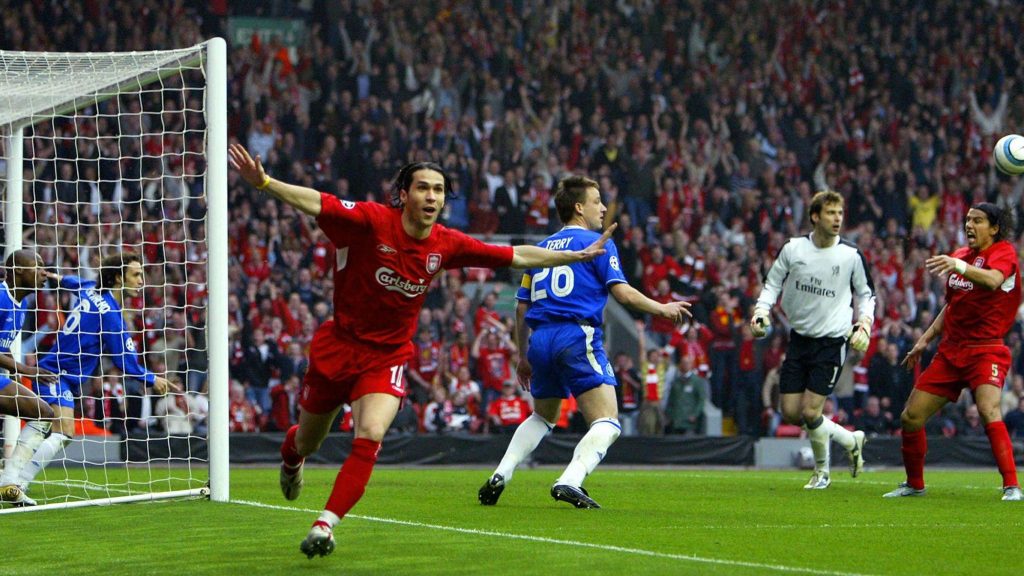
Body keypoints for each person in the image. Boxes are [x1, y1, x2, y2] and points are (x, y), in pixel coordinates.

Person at [228, 143, 617, 559]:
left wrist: (572, 255)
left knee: (370, 434)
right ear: (404, 194)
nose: (432, 196)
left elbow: (516, 254)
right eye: (423, 188)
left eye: (439, 190)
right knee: (307, 441)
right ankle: (292, 459)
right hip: (338, 347)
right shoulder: (371, 221)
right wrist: (265, 183)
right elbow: (317, 203)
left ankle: (325, 525)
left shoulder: (445, 243)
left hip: (387, 356)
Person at [477, 175, 690, 509]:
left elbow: (521, 307)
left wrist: (523, 356)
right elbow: (622, 293)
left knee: (543, 417)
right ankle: (571, 479)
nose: (603, 208)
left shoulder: (541, 249)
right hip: (576, 334)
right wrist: (661, 308)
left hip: (540, 338)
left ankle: (501, 473)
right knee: (608, 421)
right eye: (597, 201)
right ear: (579, 207)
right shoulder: (596, 243)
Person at [2, 251, 177, 504]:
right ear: (119, 278)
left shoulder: (89, 289)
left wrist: (55, 276)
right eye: (136, 275)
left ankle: (12, 481)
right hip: (56, 373)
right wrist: (152, 379)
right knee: (61, 430)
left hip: (62, 374)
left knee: (60, 431)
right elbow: (125, 362)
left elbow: (71, 281)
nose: (142, 281)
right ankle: (15, 482)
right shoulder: (112, 317)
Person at [885, 203, 1022, 501]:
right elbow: (951, 306)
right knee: (911, 417)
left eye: (978, 220)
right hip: (951, 351)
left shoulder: (1003, 252)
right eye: (968, 220)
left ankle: (1012, 486)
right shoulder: (960, 255)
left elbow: (993, 280)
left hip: (986, 349)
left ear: (994, 228)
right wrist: (925, 339)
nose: (969, 225)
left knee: (988, 410)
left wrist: (957, 266)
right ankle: (914, 484)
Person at [749, 190, 874, 489]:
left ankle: (822, 473)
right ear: (815, 217)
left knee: (810, 411)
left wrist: (865, 324)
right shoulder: (793, 249)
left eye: (840, 213)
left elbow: (866, 294)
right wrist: (761, 311)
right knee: (791, 412)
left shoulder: (851, 255)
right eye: (831, 213)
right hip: (799, 339)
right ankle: (850, 440)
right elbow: (772, 283)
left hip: (832, 342)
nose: (837, 218)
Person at [0, 250, 60, 506]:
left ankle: (8, 483)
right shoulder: (1, 297)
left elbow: (2, 348)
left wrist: (18, 371)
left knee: (43, 413)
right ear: (18, 270)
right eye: (38, 266)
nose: (44, 273)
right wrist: (26, 369)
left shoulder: (21, 304)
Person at [665, 354, 708, 435]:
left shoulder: (697, 381)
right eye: (683, 363)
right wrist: (668, 414)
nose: (685, 365)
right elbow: (671, 399)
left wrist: (695, 414)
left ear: (691, 365)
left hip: (689, 421)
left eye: (687, 363)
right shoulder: (676, 381)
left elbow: (701, 400)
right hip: (676, 420)